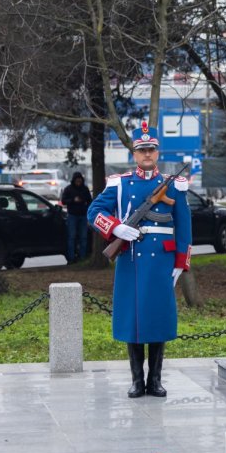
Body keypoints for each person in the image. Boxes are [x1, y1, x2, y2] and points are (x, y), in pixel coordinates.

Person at [88, 121, 192, 398]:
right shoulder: (120, 183)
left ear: (157, 153)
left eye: (152, 150)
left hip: (161, 263)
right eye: (142, 150)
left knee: (157, 320)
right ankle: (137, 381)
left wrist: (181, 263)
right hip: (132, 260)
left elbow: (184, 227)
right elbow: (94, 211)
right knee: (133, 322)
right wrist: (116, 228)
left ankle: (155, 381)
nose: (147, 154)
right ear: (134, 154)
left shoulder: (174, 185)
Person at [61, 172, 93, 262]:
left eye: (80, 180)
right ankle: (71, 258)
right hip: (72, 215)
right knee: (71, 237)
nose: (78, 182)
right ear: (74, 180)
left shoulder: (85, 189)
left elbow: (90, 201)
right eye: (77, 180)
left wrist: (86, 207)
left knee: (84, 237)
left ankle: (82, 257)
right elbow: (63, 201)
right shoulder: (68, 189)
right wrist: (73, 200)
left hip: (83, 215)